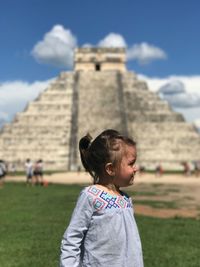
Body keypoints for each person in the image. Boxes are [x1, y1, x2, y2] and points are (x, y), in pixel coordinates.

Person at [60, 129, 144, 267]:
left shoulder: (125, 199)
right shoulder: (91, 196)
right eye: (131, 163)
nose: (136, 169)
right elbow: (72, 238)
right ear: (110, 169)